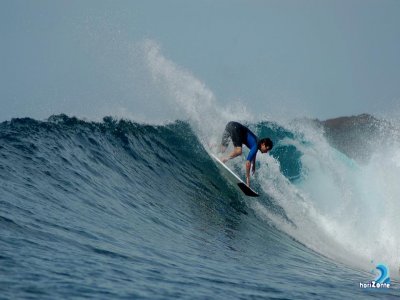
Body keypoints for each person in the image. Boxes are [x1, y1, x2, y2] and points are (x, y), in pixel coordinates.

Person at [220, 121, 273, 187]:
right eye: (267, 149)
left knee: (222, 149)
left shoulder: (257, 142)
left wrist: (253, 164)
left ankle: (212, 147)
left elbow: (254, 152)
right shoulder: (256, 145)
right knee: (238, 151)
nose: (266, 152)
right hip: (236, 128)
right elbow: (248, 163)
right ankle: (223, 159)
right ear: (263, 144)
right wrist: (248, 181)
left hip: (230, 125)